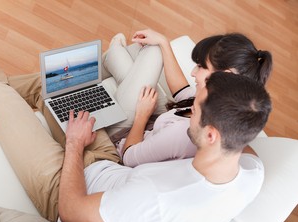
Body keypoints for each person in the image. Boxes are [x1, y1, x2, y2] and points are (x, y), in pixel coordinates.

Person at [0, 24, 272, 222]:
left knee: (1, 99)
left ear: (212, 135)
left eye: (196, 110)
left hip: (64, 188)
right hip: (108, 164)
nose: (189, 106)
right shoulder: (250, 172)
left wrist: (74, 145)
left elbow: (71, 210)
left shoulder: (154, 197)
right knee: (56, 88)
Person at [103, 30, 273, 167]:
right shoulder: (220, 102)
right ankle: (114, 55)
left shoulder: (185, 134)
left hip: (126, 138)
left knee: (121, 56)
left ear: (224, 75)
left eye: (200, 66)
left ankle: (112, 54)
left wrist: (142, 115)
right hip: (155, 122)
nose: (193, 72)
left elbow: (129, 157)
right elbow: (182, 91)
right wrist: (164, 42)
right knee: (153, 50)